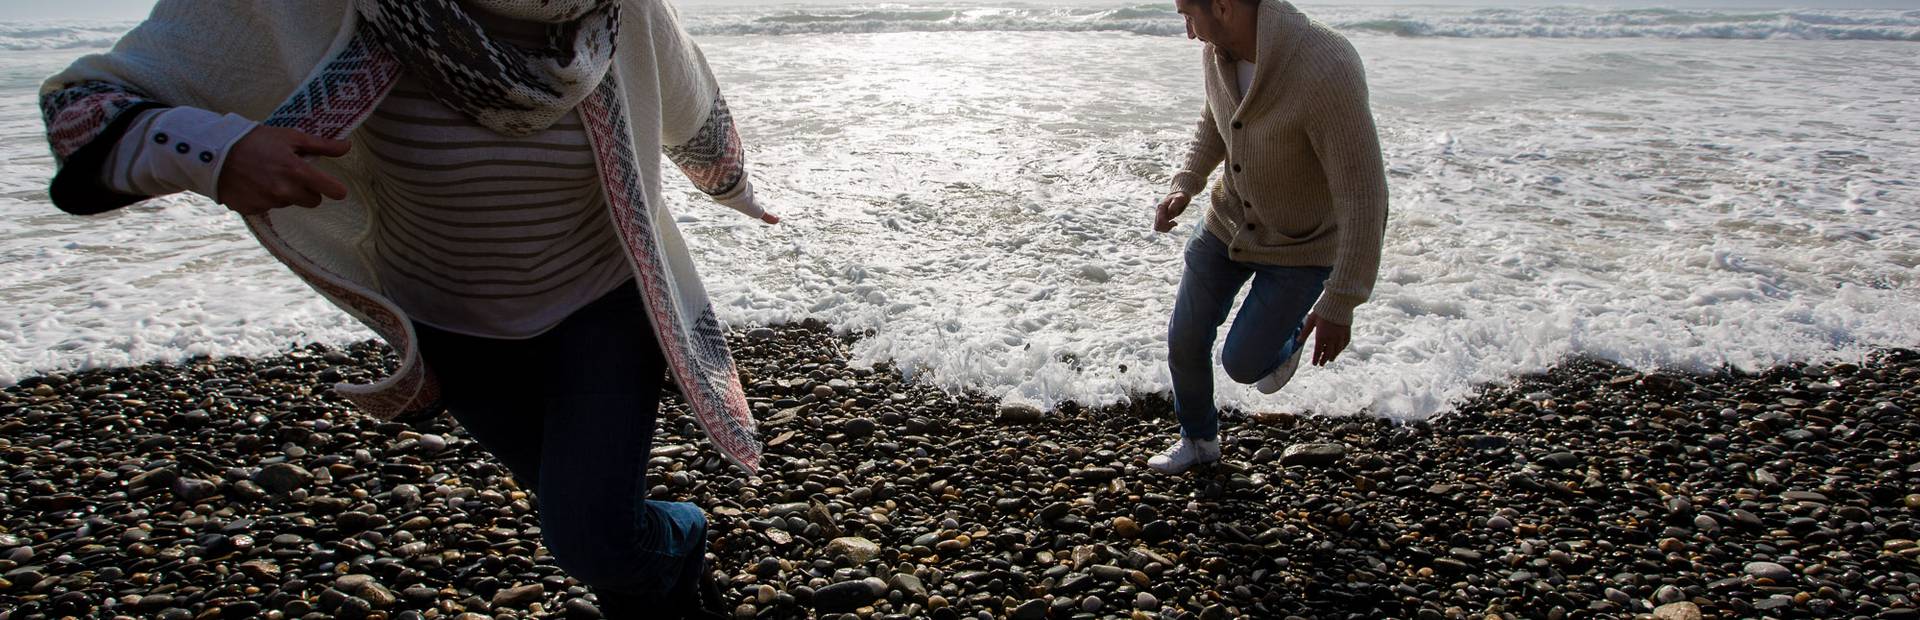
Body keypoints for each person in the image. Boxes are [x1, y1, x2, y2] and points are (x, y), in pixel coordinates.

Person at [39, 0, 776, 616]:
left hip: (606, 307)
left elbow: (688, 97)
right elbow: (82, 107)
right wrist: (218, 152)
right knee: (587, 523)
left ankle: (680, 533)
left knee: (592, 536)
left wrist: (735, 187)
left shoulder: (618, 9)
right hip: (454, 329)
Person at [1147, 0, 1389, 474]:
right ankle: (1198, 440)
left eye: (1187, 15)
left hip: (1302, 245)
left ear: (1223, 6)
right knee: (1185, 337)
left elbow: (1365, 195)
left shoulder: (1325, 66)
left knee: (1243, 364)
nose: (1189, 33)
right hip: (1228, 220)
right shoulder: (1220, 48)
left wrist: (1342, 301)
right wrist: (1185, 184)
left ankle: (1289, 340)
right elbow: (1217, 119)